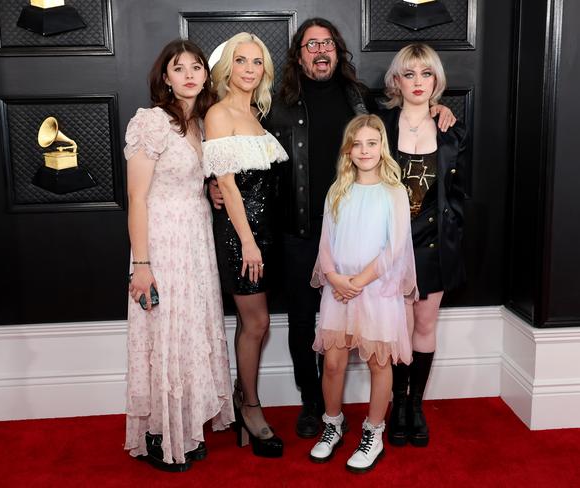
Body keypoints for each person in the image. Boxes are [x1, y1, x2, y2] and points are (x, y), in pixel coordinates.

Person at [209, 18, 454, 438]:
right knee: (305, 321)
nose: (320, 51)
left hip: (355, 230)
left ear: (337, 51)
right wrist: (212, 183)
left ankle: (357, 408)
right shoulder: (275, 102)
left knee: (353, 322)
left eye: (327, 43)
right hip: (299, 230)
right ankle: (314, 404)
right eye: (310, 45)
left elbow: (394, 128)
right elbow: (234, 146)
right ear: (299, 54)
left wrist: (436, 107)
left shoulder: (359, 97)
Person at [123, 39, 233, 472]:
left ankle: (185, 423)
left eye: (196, 66)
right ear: (164, 77)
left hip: (196, 237)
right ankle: (157, 433)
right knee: (163, 331)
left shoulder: (204, 124)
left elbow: (191, 176)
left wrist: (208, 188)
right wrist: (142, 265)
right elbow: (137, 198)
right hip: (162, 240)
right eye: (178, 67)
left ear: (205, 74)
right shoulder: (151, 123)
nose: (189, 73)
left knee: (190, 329)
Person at [308, 114, 417, 472]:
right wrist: (334, 277)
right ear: (348, 150)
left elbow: (394, 247)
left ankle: (373, 432)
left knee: (378, 362)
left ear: (381, 147)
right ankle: (332, 424)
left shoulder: (394, 191)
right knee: (334, 362)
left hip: (376, 290)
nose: (365, 150)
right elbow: (326, 241)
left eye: (372, 143)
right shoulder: (338, 189)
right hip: (339, 289)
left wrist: (358, 282)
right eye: (358, 144)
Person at [203, 32, 288, 458]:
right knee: (258, 323)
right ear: (227, 68)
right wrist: (249, 244)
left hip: (265, 232)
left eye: (257, 62)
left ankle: (244, 396)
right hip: (242, 236)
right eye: (242, 61)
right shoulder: (218, 113)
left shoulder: (257, 113)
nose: (250, 69)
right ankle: (250, 407)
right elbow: (229, 187)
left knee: (251, 321)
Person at [378, 43, 468, 447]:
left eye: (426, 74)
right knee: (400, 328)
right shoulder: (379, 124)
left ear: (437, 80)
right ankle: (398, 403)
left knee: (425, 326)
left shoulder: (452, 127)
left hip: (435, 243)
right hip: (393, 244)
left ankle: (416, 405)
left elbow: (460, 191)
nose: (418, 82)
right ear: (396, 80)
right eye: (409, 74)